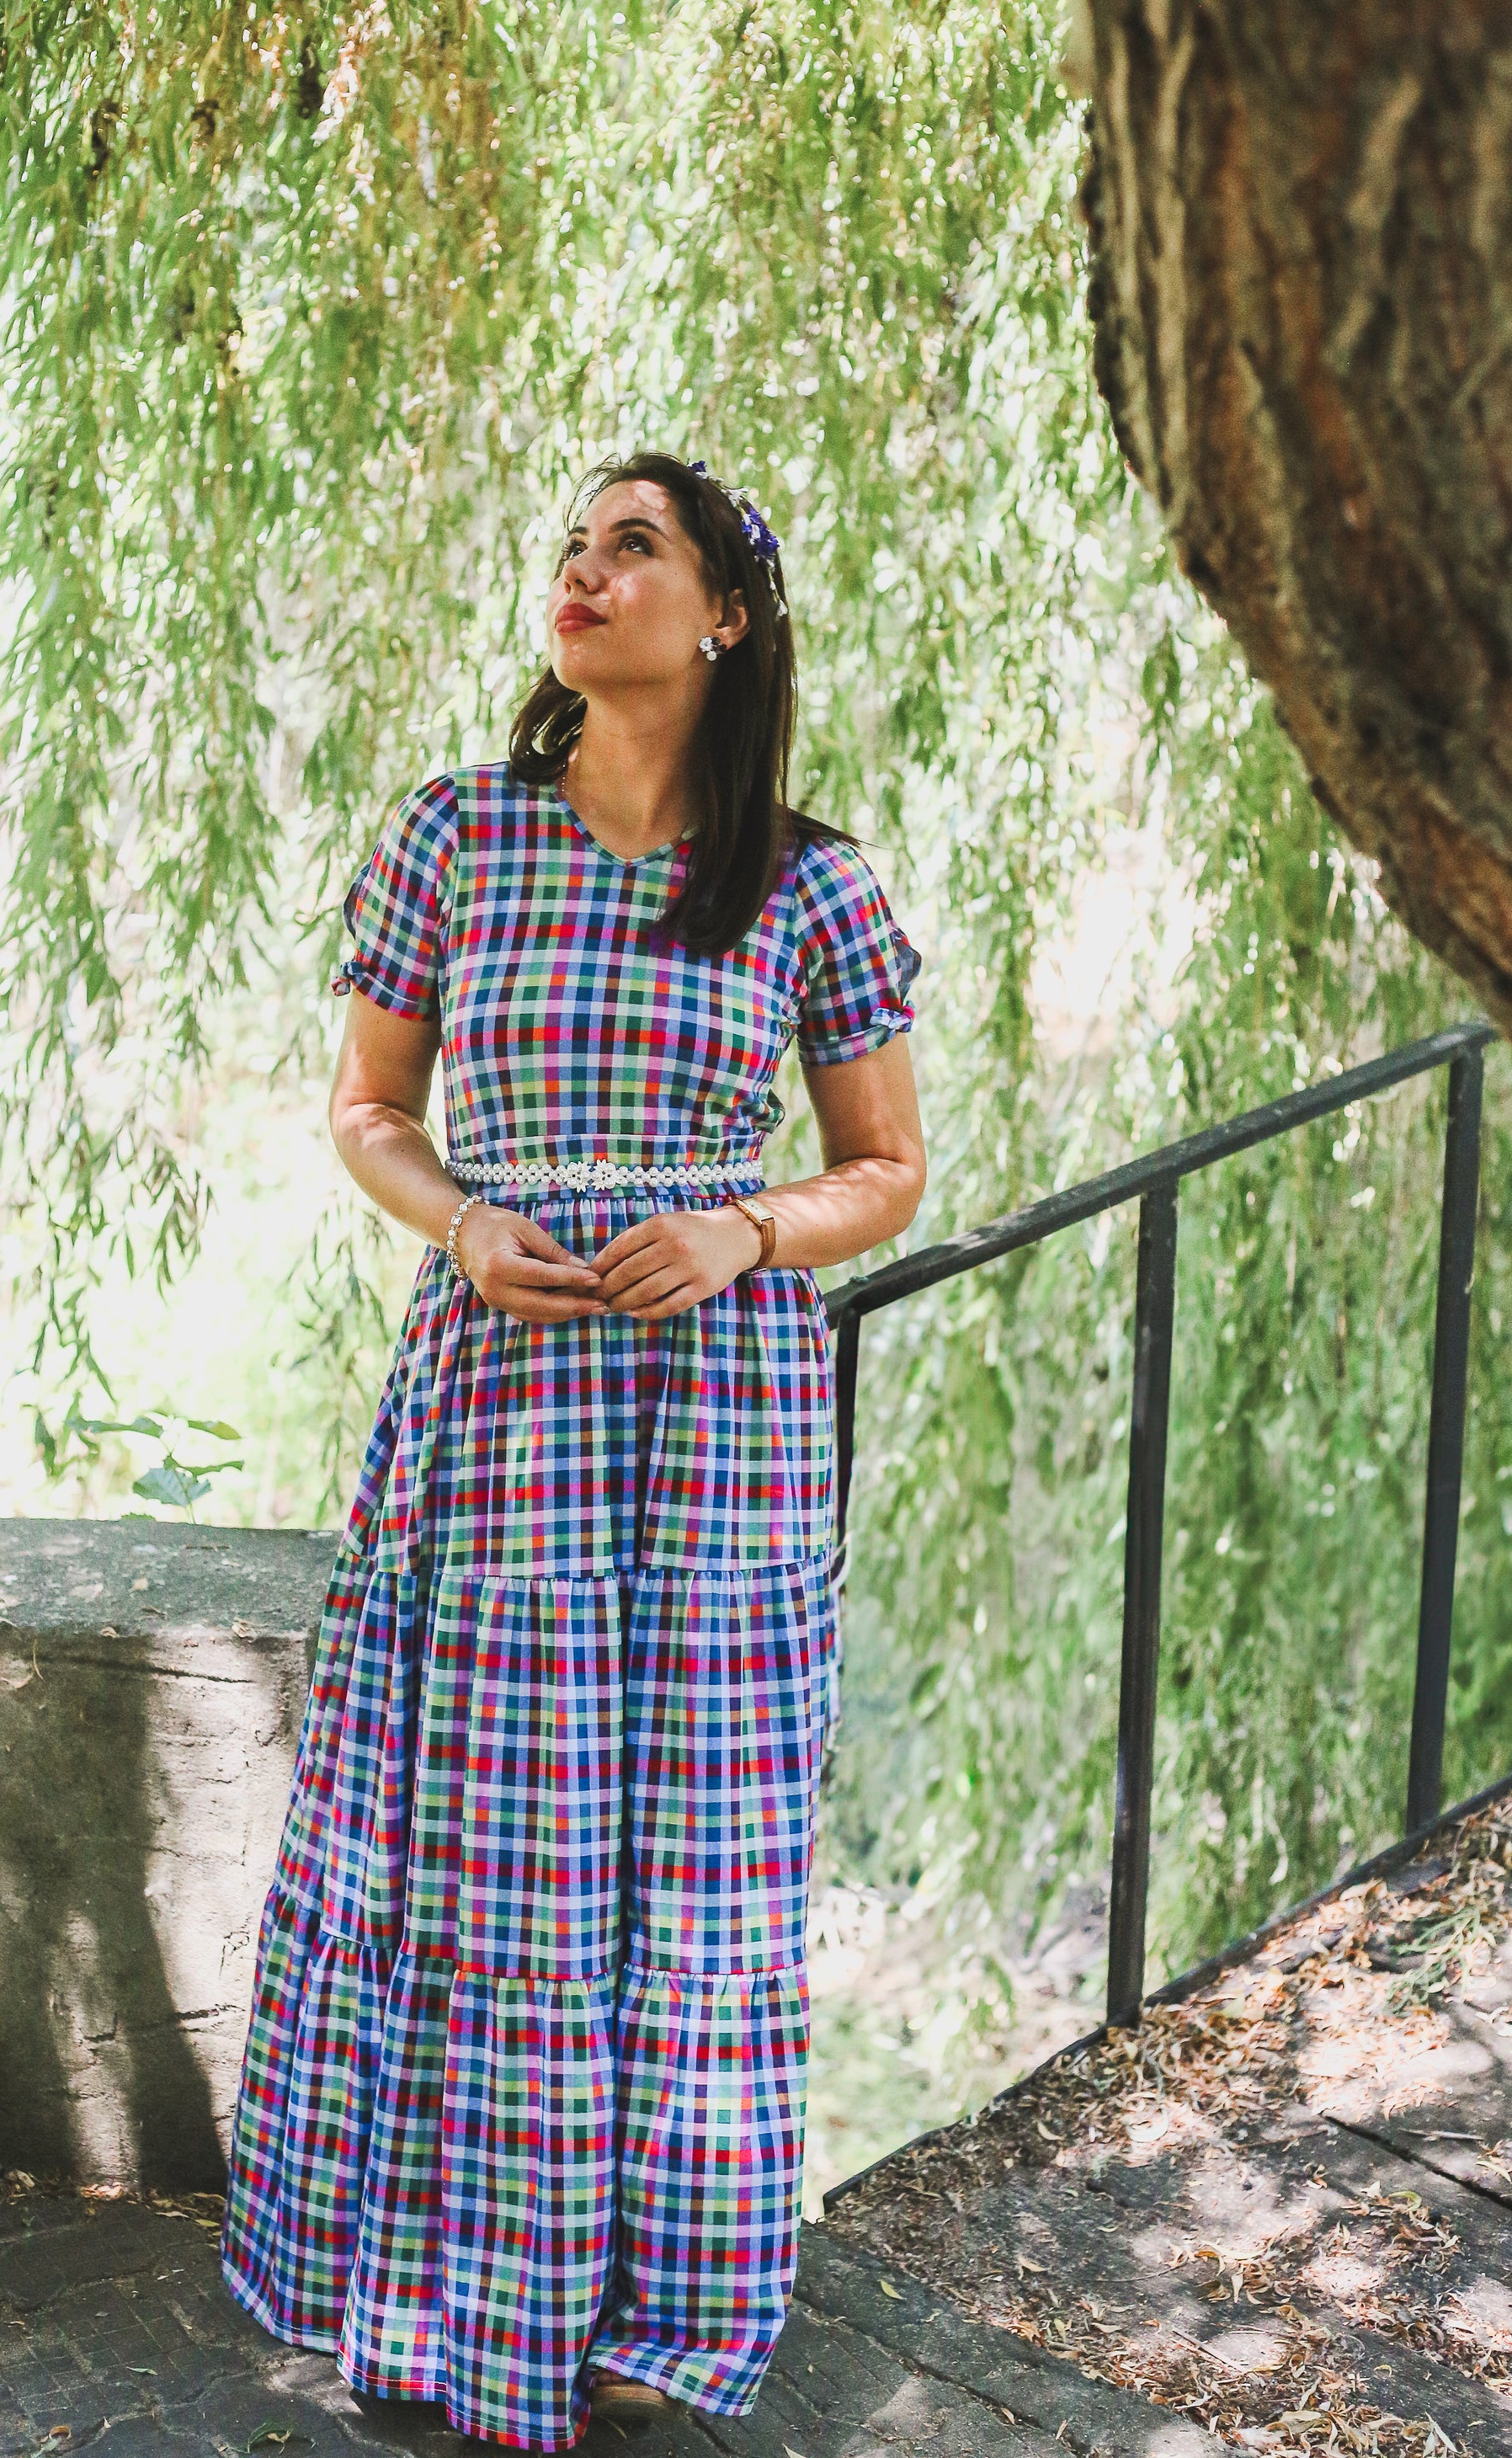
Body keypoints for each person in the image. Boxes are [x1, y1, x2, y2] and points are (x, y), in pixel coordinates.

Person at [220, 450, 926, 2450]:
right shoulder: (453, 835)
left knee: (685, 1869)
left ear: (721, 620)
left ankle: (649, 2306)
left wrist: (743, 1226)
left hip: (719, 1422)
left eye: (637, 546)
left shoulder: (810, 878)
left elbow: (888, 1166)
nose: (583, 570)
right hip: (498, 1397)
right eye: (573, 542)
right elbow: (366, 1107)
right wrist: (454, 1217)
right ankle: (448, 2309)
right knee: (479, 1862)